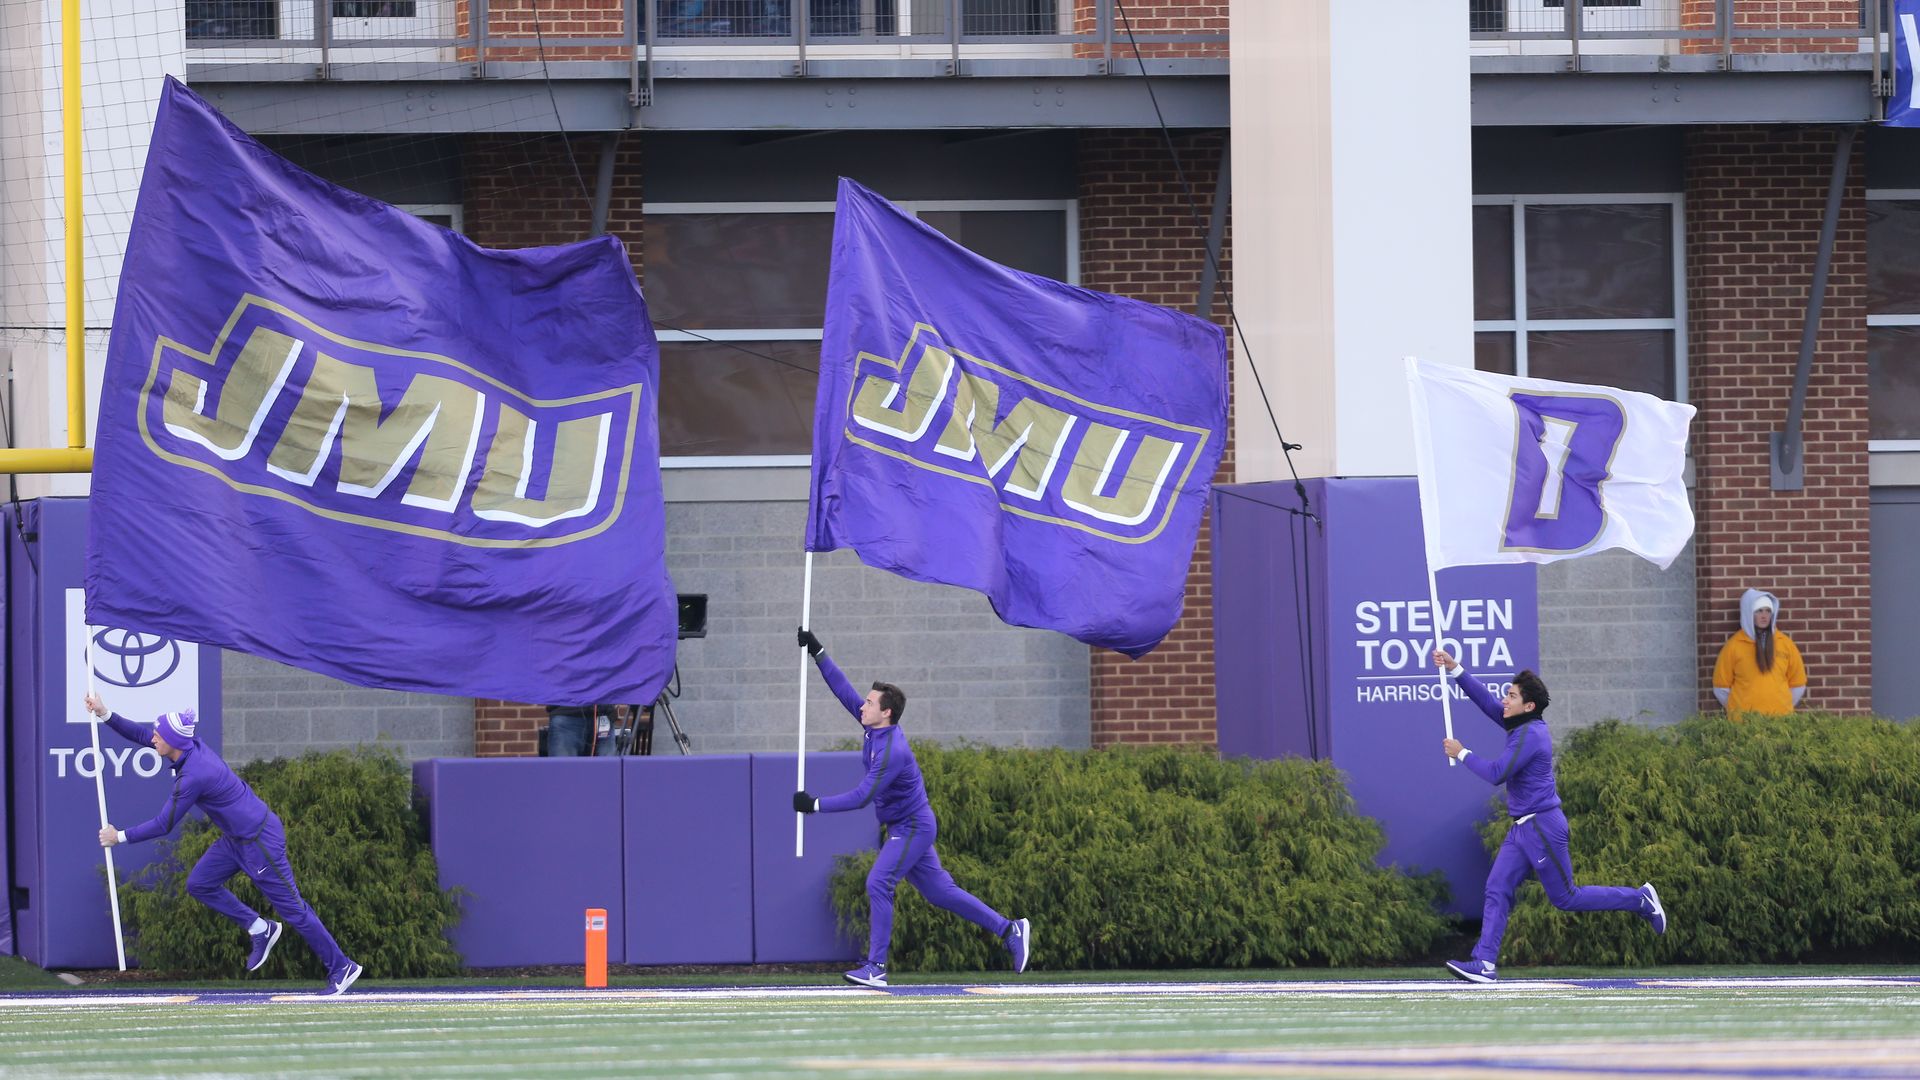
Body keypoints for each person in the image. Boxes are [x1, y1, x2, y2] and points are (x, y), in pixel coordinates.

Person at [792, 627, 1031, 988]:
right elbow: (844, 691)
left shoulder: (892, 751)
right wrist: (818, 652)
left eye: (870, 703)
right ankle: (1008, 928)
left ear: (885, 713)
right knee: (941, 893)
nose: (862, 705)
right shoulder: (874, 728)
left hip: (912, 827)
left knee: (878, 881)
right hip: (905, 827)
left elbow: (861, 797)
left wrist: (814, 805)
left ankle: (876, 967)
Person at [84, 692, 363, 996]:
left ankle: (342, 967)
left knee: (294, 910)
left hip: (260, 842)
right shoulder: (186, 747)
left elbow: (164, 824)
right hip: (236, 839)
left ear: (173, 742)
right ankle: (260, 928)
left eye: (157, 735)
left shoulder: (194, 776)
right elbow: (142, 734)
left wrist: (119, 836)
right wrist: (104, 713)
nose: (152, 739)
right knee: (200, 883)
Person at [1430, 650, 1667, 984]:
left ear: (1528, 706)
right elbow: (1485, 702)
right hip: (1522, 828)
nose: (1504, 700)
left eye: (1511, 696)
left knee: (1566, 898)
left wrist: (1462, 752)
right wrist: (1456, 670)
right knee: (1497, 887)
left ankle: (1640, 899)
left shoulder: (1532, 735)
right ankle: (1484, 963)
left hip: (1542, 826)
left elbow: (1498, 772)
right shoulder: (1520, 721)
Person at [1712, 589, 1807, 718]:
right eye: (1759, 611)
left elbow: (1798, 683)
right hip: (1744, 722)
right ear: (1749, 613)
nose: (1764, 616)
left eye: (1768, 611)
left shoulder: (1785, 644)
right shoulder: (1734, 645)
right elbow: (1721, 687)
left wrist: (1781, 706)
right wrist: (1738, 709)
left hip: (1780, 720)